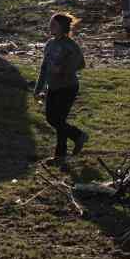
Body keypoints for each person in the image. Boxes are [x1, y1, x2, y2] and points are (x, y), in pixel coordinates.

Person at [34, 13, 88, 168]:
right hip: (53, 87)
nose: (50, 27)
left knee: (58, 121)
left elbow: (81, 64)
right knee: (53, 119)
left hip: (67, 87)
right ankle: (78, 136)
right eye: (50, 23)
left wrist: (63, 69)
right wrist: (38, 88)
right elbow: (44, 67)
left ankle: (60, 156)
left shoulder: (70, 45)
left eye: (53, 24)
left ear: (62, 27)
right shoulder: (50, 44)